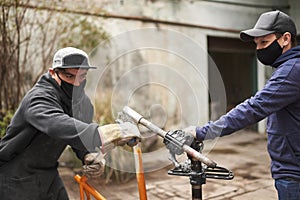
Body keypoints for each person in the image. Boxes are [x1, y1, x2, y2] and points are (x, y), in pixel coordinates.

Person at [185, 10, 300, 200]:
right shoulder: (289, 68)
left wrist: (202, 132)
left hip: (293, 173)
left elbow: (254, 108)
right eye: (256, 44)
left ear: (285, 39)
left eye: (264, 42)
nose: (259, 49)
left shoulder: (291, 70)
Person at [0, 47, 141, 200]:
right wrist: (105, 133)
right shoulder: (39, 97)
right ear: (53, 72)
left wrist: (87, 154)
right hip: (15, 175)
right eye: (69, 76)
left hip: (49, 173)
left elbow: (79, 130)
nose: (76, 83)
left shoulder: (82, 103)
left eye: (81, 77)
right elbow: (57, 124)